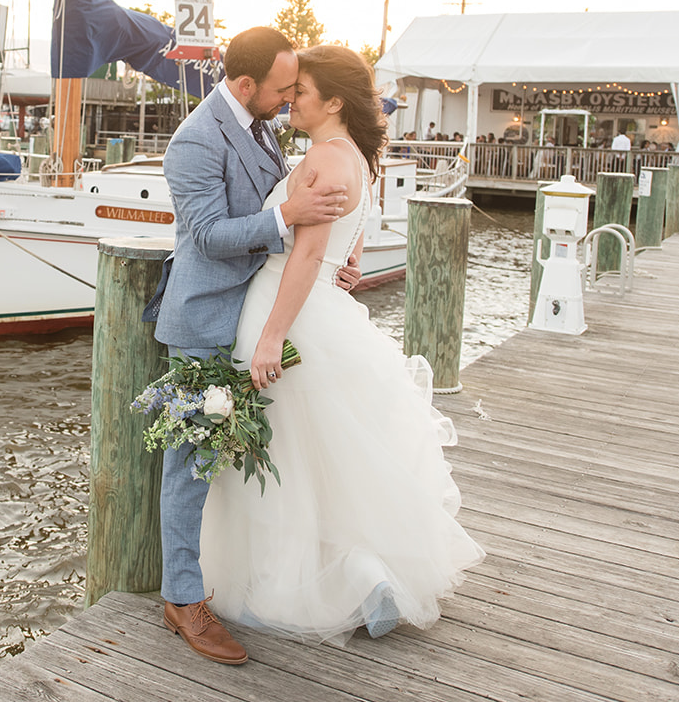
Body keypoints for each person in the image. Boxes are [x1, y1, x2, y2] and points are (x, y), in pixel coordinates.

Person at [199, 45, 484, 645]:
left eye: (300, 90)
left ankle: (298, 585)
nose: (289, 99)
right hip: (327, 310)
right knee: (316, 460)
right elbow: (340, 246)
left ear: (332, 100)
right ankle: (364, 572)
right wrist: (344, 264)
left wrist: (272, 336)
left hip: (287, 309)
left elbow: (304, 254)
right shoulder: (355, 158)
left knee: (278, 461)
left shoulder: (324, 161)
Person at [148, 26, 358, 665]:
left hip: (254, 312)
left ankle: (241, 576)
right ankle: (182, 598)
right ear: (246, 85)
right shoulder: (193, 141)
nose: (291, 96)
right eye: (283, 87)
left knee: (247, 458)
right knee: (190, 459)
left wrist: (324, 268)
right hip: (206, 317)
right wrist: (291, 218)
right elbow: (208, 236)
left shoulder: (264, 122)